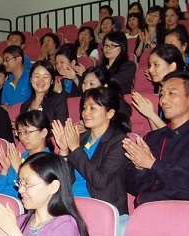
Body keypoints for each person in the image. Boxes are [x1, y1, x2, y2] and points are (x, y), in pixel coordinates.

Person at [124, 72, 189, 207]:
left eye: (172, 93)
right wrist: (139, 168)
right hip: (147, 210)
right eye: (162, 94)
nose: (163, 100)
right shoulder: (152, 138)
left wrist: (153, 164)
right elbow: (132, 187)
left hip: (186, 213)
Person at [53, 87, 131, 215]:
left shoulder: (119, 142)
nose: (85, 113)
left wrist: (75, 149)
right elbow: (65, 179)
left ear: (110, 113)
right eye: (84, 108)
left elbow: (99, 181)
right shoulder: (81, 139)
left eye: (92, 108)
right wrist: (64, 150)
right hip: (71, 203)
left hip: (100, 207)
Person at [0, 111, 54, 199]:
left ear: (43, 132)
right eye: (20, 133)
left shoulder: (49, 161)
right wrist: (5, 170)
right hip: (2, 200)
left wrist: (19, 169)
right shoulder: (20, 157)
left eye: (27, 132)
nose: (22, 137)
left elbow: (34, 196)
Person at [19, 60, 69, 124]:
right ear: (30, 79)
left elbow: (61, 125)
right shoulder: (24, 106)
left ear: (52, 81)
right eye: (37, 76)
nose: (41, 81)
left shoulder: (58, 100)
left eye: (45, 77)